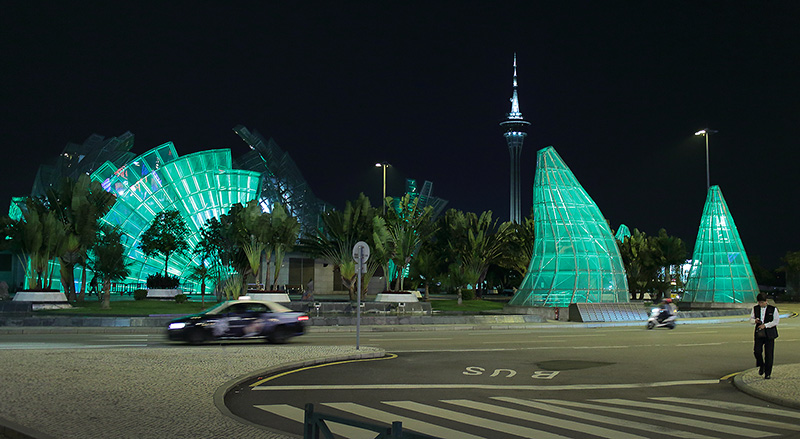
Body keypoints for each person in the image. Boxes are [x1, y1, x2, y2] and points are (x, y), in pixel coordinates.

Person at [750, 292, 780, 379]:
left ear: (766, 301)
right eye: (759, 302)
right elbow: (751, 319)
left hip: (769, 333)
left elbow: (776, 321)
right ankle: (761, 365)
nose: (760, 304)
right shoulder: (755, 308)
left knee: (769, 354)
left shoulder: (773, 309)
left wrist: (765, 325)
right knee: (757, 351)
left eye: (762, 302)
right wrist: (755, 321)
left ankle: (768, 373)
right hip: (759, 333)